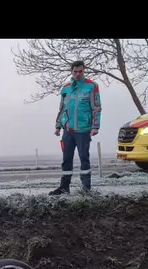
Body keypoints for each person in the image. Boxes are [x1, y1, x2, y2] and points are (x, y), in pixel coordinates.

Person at [49, 60, 102, 195]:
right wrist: (58, 126)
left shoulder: (91, 86)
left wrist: (95, 126)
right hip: (68, 130)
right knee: (66, 159)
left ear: (84, 71)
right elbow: (62, 109)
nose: (78, 74)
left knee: (84, 158)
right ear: (71, 72)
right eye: (75, 71)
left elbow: (96, 108)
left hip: (84, 130)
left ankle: (86, 188)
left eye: (80, 71)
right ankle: (64, 187)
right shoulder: (66, 88)